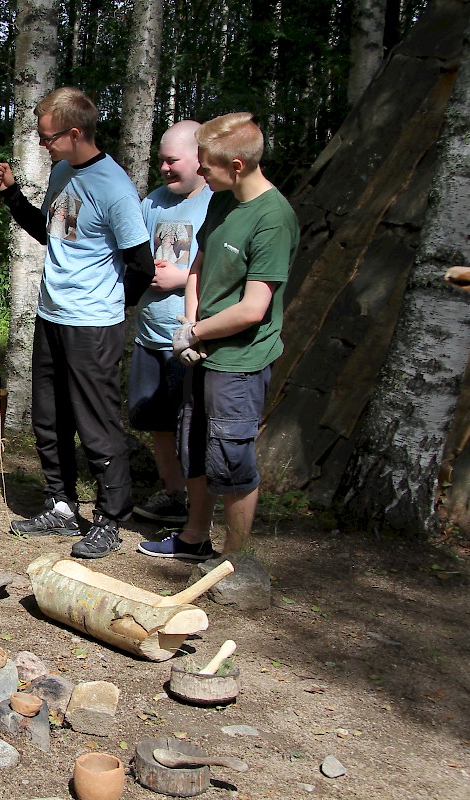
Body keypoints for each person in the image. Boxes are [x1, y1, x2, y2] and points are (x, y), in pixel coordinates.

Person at [0, 87, 154, 559]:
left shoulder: (114, 187)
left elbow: (141, 264)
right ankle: (62, 507)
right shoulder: (64, 171)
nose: (43, 146)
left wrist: (108, 309)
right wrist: (12, 196)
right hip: (52, 315)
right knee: (50, 417)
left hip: (93, 325)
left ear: (75, 133)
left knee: (98, 424)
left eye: (48, 138)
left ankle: (110, 517)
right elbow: (51, 232)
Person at [138, 112, 298, 568]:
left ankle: (236, 561)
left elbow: (253, 309)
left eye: (207, 166)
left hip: (239, 360)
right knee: (195, 445)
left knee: (231, 457)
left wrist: (196, 331)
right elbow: (198, 266)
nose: (201, 174)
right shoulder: (223, 201)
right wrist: (187, 324)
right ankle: (194, 538)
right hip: (201, 351)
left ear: (240, 165)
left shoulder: (273, 219)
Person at [129, 121, 213, 526]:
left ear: (200, 159)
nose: (163, 168)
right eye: (161, 160)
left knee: (190, 426)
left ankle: (201, 506)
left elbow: (231, 270)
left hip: (189, 339)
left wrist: (182, 280)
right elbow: (135, 253)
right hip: (149, 335)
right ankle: (173, 494)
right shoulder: (153, 204)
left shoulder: (216, 204)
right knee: (157, 421)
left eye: (172, 160)